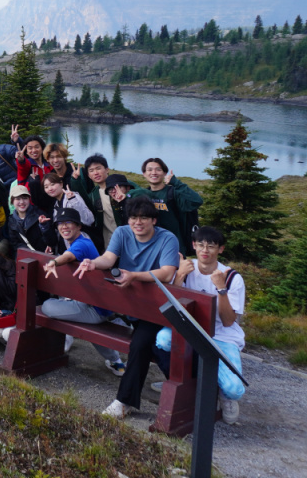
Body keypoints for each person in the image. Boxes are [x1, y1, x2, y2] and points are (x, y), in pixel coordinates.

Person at [74, 196, 181, 419]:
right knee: (151, 346)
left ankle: (124, 401)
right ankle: (187, 382)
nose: (137, 222)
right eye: (133, 217)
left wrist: (134, 276)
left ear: (154, 220)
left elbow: (168, 272)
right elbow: (109, 258)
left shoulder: (167, 239)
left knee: (141, 345)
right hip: (129, 304)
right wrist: (93, 264)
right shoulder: (122, 233)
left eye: (143, 218)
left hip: (155, 307)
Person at [156, 226, 246, 424]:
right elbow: (172, 303)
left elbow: (229, 321)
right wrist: (179, 276)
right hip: (190, 328)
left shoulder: (231, 278)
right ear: (194, 246)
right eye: (201, 245)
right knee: (162, 340)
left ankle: (224, 395)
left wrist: (221, 289)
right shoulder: (186, 268)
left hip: (222, 335)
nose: (205, 250)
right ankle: (180, 381)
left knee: (234, 388)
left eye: (211, 246)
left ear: (220, 249)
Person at [40, 207, 127, 375]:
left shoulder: (82, 243)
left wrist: (55, 262)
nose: (64, 227)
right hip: (94, 302)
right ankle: (115, 360)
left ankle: (113, 350)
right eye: (60, 224)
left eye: (69, 223)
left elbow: (70, 256)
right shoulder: (80, 241)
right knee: (73, 312)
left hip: (96, 308)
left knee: (47, 306)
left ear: (79, 226)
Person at [133, 158, 203, 254]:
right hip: (150, 246)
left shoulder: (173, 192)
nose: (154, 172)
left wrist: (176, 182)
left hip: (174, 247)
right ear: (144, 174)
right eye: (149, 170)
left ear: (165, 173)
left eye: (158, 169)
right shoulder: (143, 195)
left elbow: (197, 201)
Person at [5, 183, 47, 252]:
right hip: (26, 256)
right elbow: (15, 243)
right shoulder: (11, 220)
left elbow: (49, 239)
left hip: (43, 254)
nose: (22, 202)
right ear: (12, 201)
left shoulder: (39, 214)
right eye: (18, 199)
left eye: (25, 198)